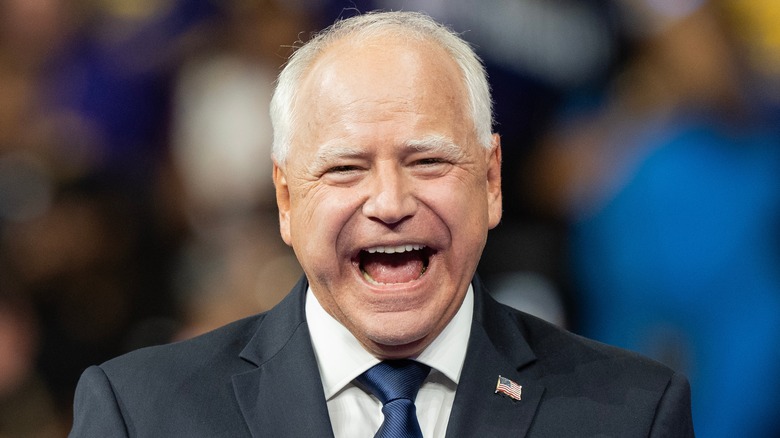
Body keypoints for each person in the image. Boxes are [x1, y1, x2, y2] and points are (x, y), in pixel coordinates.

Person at [69, 11, 694, 437]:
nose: (390, 202)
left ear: (492, 180)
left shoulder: (633, 413)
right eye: (345, 168)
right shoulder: (141, 414)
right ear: (286, 199)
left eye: (427, 160)